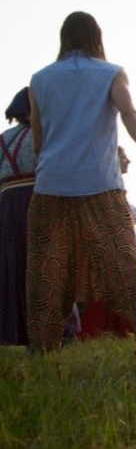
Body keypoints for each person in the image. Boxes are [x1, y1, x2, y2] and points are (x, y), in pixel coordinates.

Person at [26, 12, 136, 352]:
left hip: (51, 185)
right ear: (96, 37)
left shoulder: (39, 79)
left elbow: (39, 140)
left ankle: (43, 348)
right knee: (126, 265)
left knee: (48, 271)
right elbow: (129, 114)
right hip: (99, 185)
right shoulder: (110, 73)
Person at [77, 146, 136, 340]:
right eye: (124, 157)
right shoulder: (109, 189)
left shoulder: (109, 188)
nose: (129, 161)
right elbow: (134, 214)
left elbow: (135, 214)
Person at [0, 88, 38, 344]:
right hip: (35, 200)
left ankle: (12, 332)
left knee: (10, 266)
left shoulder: (3, 138)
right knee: (41, 265)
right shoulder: (41, 135)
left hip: (6, 205)